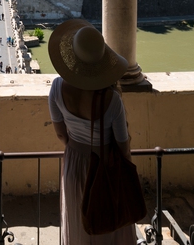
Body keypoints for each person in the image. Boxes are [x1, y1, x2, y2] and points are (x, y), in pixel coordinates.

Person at [47, 19, 136, 245]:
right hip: (105, 165)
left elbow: (61, 135)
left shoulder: (57, 87)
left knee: (79, 223)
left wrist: (77, 145)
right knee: (109, 224)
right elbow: (123, 145)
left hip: (74, 162)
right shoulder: (112, 100)